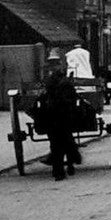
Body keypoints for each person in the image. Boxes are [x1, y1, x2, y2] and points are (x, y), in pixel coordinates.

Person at [40, 51, 82, 181]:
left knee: (58, 142)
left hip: (60, 114)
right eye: (52, 64)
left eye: (55, 64)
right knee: (61, 141)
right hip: (58, 115)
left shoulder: (55, 81)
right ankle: (65, 166)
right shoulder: (57, 81)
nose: (54, 67)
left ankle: (60, 169)